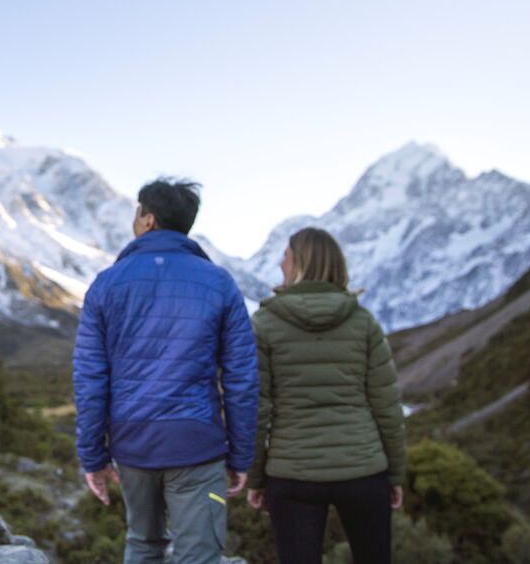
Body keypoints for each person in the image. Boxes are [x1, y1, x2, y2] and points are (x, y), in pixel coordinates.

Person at [74, 178, 259, 564]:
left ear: (148, 220)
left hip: (132, 442)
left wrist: (93, 457)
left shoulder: (106, 285)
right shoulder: (220, 283)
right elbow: (241, 378)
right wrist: (240, 456)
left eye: (137, 210)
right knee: (201, 555)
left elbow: (91, 379)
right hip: (198, 445)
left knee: (143, 543)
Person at [245, 227, 406, 564]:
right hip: (363, 470)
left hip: (292, 475)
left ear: (300, 263)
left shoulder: (263, 324)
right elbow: (387, 407)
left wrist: (257, 478)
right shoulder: (364, 323)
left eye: (286, 255)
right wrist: (394, 475)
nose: (279, 263)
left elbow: (256, 410)